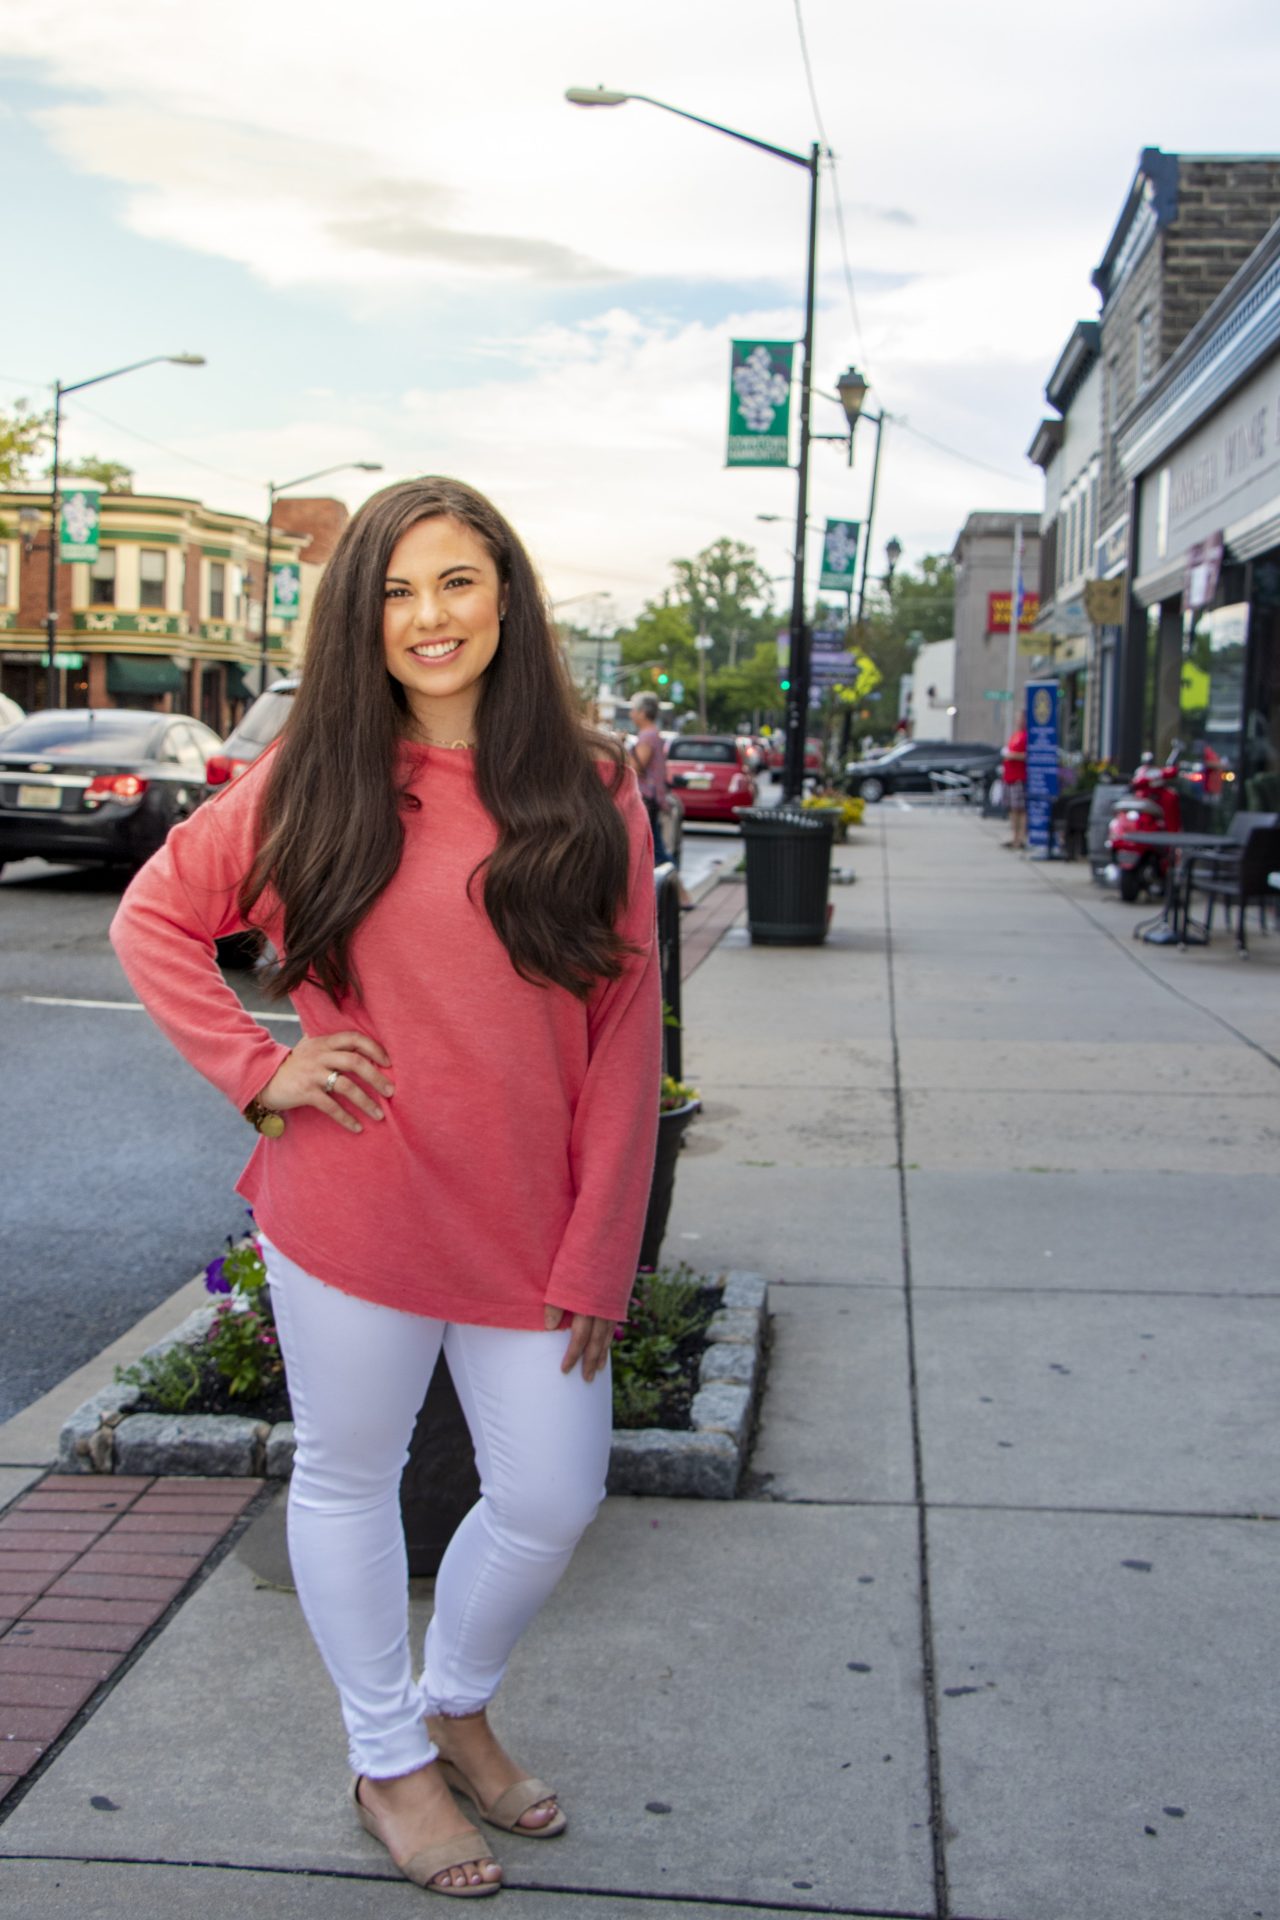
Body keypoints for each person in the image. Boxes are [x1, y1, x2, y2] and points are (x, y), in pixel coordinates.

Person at [110, 477, 661, 1899]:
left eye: (459, 582)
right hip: (351, 1203)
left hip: (532, 1219)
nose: (430, 617)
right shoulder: (313, 782)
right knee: (350, 1477)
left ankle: (454, 1698)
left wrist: (601, 1245)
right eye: (398, 591)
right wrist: (258, 1066)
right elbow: (155, 917)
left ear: (506, 599)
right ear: (362, 617)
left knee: (552, 1490)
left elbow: (624, 1031)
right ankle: (389, 1760)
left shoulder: (593, 787)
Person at [627, 692, 692, 907]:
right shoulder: (652, 734)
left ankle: (680, 893)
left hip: (647, 798)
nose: (631, 714)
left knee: (655, 849)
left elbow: (636, 767)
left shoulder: (647, 736)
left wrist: (623, 748)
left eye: (634, 710)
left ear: (644, 713)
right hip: (653, 797)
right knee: (654, 847)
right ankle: (678, 893)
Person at [1002, 720, 1028, 849]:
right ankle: (1014, 837)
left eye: (1021, 718)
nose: (1018, 721)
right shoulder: (1015, 736)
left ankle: (1021, 839)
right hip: (1009, 778)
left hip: (1019, 777)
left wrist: (1013, 755)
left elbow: (1031, 755)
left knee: (1021, 809)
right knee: (1012, 809)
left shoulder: (1027, 736)